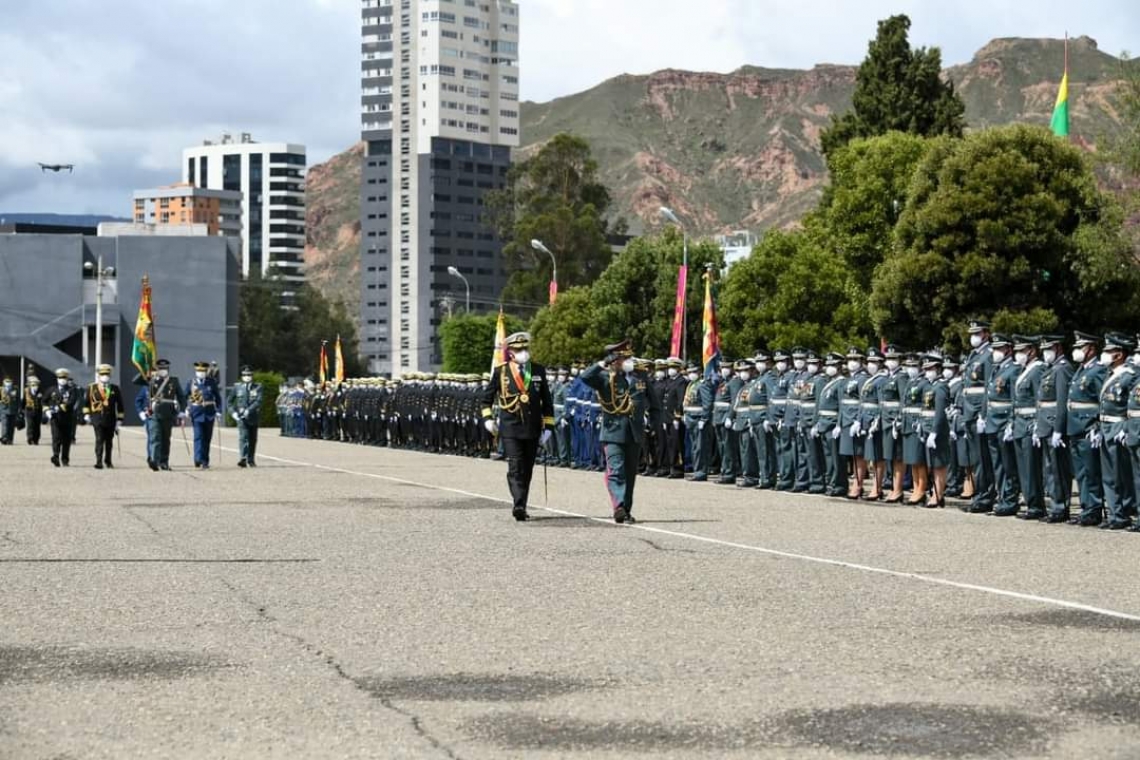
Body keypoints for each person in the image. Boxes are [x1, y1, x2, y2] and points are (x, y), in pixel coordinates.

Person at [480, 332, 554, 522]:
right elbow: (485, 399)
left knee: (527, 468)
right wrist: (488, 419)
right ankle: (518, 504)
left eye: (525, 348)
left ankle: (522, 501)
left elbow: (547, 401)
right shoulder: (501, 371)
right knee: (515, 465)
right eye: (518, 349)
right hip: (510, 427)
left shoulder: (537, 370)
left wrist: (548, 428)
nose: (523, 352)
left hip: (532, 427)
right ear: (511, 352)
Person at [581, 339, 649, 524]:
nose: (626, 362)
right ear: (614, 361)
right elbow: (585, 377)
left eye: (628, 357)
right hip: (612, 432)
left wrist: (654, 423)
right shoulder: (605, 377)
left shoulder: (640, 376)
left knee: (629, 473)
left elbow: (653, 402)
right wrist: (603, 363)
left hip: (634, 432)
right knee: (616, 470)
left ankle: (625, 510)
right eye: (622, 358)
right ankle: (618, 506)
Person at [1095, 333, 1136, 530]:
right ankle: (1115, 514)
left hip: (1118, 427)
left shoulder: (1129, 376)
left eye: (1109, 351)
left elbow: (1132, 407)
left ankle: (1124, 512)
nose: (1105, 354)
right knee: (1109, 475)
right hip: (1105, 427)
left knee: (1121, 475)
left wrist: (1126, 428)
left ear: (1119, 354)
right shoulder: (1108, 375)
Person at [1066, 332, 1106, 526]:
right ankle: (1085, 507)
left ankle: (1094, 509)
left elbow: (1102, 400)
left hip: (1088, 426)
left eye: (1081, 347)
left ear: (1091, 348)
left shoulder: (1098, 370)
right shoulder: (1080, 370)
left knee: (1091, 471)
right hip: (1075, 426)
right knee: (1080, 472)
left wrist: (1097, 424)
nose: (1078, 351)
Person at [1036, 336, 1073, 523]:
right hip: (1045, 423)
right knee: (1049, 468)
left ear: (1057, 347)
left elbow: (1062, 401)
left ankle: (1061, 507)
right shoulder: (1050, 369)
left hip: (1053, 424)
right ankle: (1055, 504)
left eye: (1048, 348)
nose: (1045, 352)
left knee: (1057, 469)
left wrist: (1059, 428)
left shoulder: (1063, 369)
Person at [1011, 336, 1046, 520]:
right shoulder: (1024, 371)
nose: (1019, 354)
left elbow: (1041, 400)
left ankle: (1036, 505)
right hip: (1019, 423)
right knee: (1023, 467)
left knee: (1032, 467)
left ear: (1032, 350)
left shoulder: (1037, 370)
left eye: (1022, 350)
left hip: (1030, 422)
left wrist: (1037, 423)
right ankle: (1030, 501)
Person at [918, 353, 951, 508]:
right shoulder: (928, 386)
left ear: (938, 369)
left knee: (939, 464)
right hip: (926, 426)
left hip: (937, 430)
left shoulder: (941, 387)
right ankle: (935, 492)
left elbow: (940, 412)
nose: (927, 371)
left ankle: (938, 494)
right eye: (925, 368)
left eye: (930, 368)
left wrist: (935, 431)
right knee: (931, 463)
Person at [83, 363, 125, 469]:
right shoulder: (92, 388)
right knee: (99, 439)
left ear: (110, 375)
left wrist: (119, 421)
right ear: (98, 375)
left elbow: (120, 406)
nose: (104, 376)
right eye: (102, 374)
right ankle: (99, 461)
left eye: (106, 374)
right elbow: (85, 404)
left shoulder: (115, 388)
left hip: (111, 419)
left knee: (109, 441)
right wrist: (86, 415)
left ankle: (108, 461)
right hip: (97, 418)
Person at [185, 361, 222, 469]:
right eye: (199, 371)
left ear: (206, 372)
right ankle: (198, 459)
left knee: (207, 438)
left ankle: (205, 460)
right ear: (196, 372)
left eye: (203, 371)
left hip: (209, 413)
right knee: (198, 436)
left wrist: (219, 411)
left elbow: (218, 398)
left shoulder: (211, 382)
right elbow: (184, 396)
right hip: (196, 413)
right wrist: (185, 408)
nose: (201, 373)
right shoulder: (191, 382)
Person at [228, 365, 263, 468]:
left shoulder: (258, 386)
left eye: (249, 375)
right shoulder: (237, 387)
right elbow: (229, 401)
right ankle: (243, 458)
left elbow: (258, 401)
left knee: (252, 439)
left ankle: (251, 459)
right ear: (242, 376)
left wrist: (249, 410)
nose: (247, 377)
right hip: (241, 417)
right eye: (245, 375)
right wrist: (233, 413)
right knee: (243, 437)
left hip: (253, 417)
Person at [43, 369, 79, 466]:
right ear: (57, 378)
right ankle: (55, 456)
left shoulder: (72, 390)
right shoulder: (51, 390)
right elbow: (44, 401)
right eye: (60, 378)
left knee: (66, 440)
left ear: (67, 379)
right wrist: (47, 411)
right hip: (55, 418)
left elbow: (72, 401)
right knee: (56, 438)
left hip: (67, 418)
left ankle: (65, 459)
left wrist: (60, 407)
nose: (62, 379)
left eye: (64, 378)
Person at [23, 375, 44, 445]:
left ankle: (36, 439)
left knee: (37, 426)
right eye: (33, 384)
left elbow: (43, 401)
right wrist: (21, 410)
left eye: (36, 384)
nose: (35, 385)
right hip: (29, 411)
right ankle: (30, 438)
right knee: (30, 425)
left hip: (38, 411)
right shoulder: (26, 391)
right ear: (30, 384)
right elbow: (23, 401)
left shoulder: (41, 391)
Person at [0, 376, 17, 445]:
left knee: (11, 426)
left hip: (13, 410)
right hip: (3, 409)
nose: (8, 383)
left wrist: (18, 409)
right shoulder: (1, 389)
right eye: (7, 382)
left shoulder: (15, 389)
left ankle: (10, 439)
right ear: (4, 382)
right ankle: (4, 438)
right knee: (5, 424)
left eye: (9, 382)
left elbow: (18, 400)